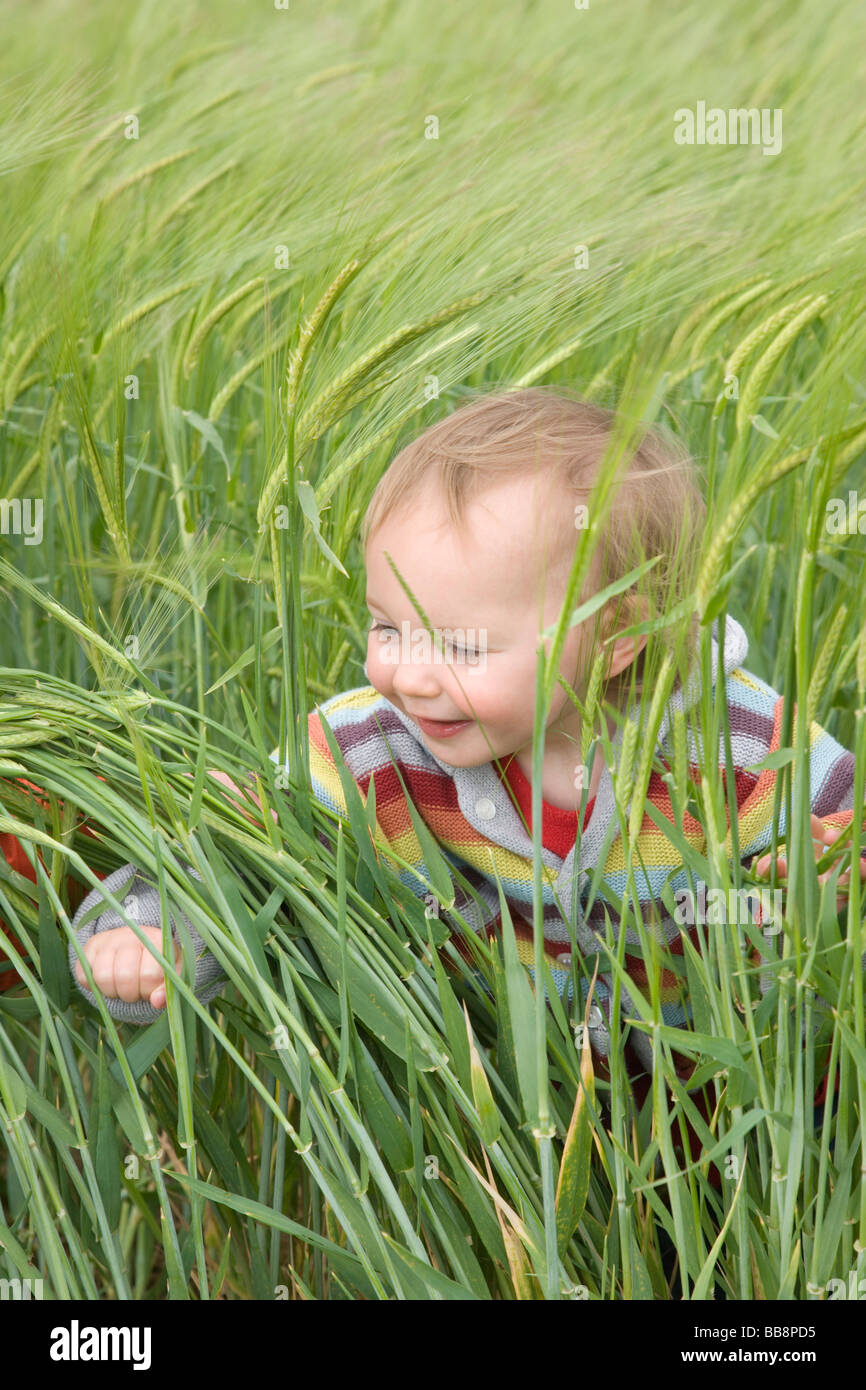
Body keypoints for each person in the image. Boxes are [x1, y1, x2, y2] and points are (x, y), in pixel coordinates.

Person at [3, 388, 861, 1173]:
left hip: (735, 1136)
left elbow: (842, 830)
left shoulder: (742, 746)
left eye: (460, 645)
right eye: (386, 625)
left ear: (618, 634)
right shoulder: (369, 751)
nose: (407, 674)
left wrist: (836, 874)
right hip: (489, 1145)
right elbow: (237, 852)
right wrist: (155, 932)